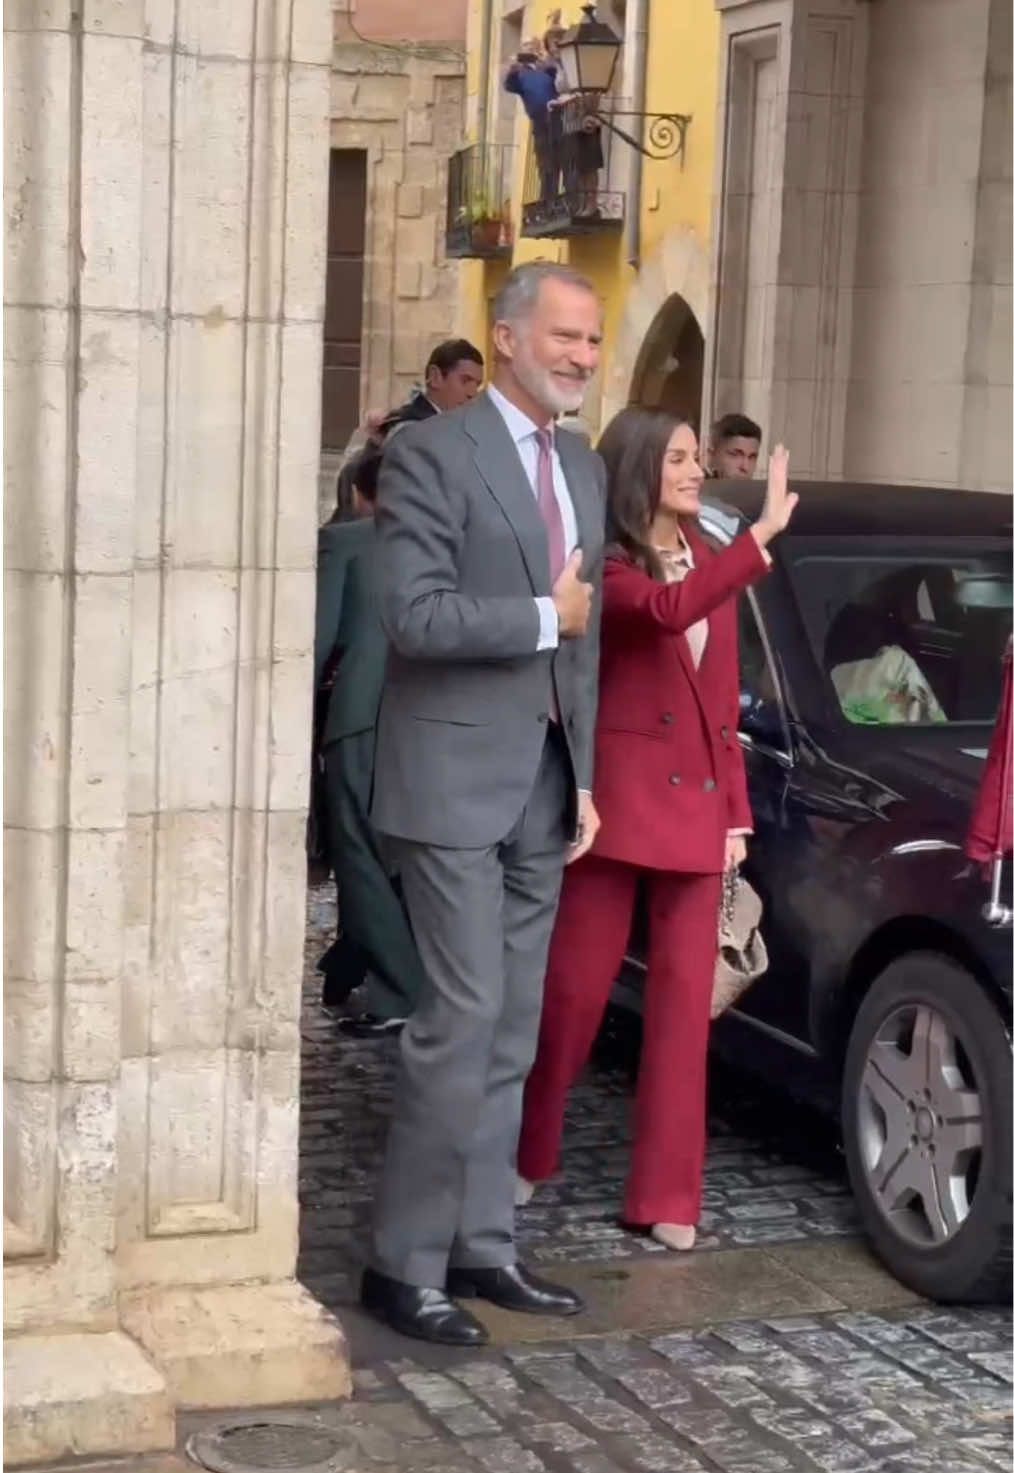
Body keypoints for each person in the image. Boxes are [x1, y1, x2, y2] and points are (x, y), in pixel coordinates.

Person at [360, 261, 607, 1346]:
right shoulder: (428, 452)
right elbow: (412, 617)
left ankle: (483, 1246)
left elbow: (587, 646)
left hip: (547, 789)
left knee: (512, 1026)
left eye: (594, 343)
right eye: (565, 337)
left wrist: (588, 774)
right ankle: (399, 1266)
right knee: (457, 1022)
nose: (582, 359)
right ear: (505, 338)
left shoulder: (586, 468)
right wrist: (541, 617)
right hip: (450, 781)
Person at [517, 406, 797, 1251]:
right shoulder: (604, 565)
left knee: (685, 1017)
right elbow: (667, 611)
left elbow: (721, 704)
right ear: (640, 467)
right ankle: (526, 1150)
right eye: (677, 457)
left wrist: (738, 815)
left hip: (701, 815)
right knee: (571, 998)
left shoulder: (709, 557)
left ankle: (669, 1195)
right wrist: (764, 538)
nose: (694, 469)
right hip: (616, 809)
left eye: (693, 457)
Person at [313, 448, 427, 1034]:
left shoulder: (349, 543)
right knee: (407, 860)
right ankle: (366, 965)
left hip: (361, 717)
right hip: (431, 718)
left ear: (362, 495)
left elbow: (316, 642)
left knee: (358, 854)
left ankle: (400, 991)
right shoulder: (444, 548)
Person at [374, 340, 485, 443]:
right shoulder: (409, 431)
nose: (473, 394)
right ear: (435, 377)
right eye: (465, 381)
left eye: (477, 385)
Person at [505, 38, 561, 203]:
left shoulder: (546, 68)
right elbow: (509, 86)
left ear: (538, 50)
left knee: (559, 157)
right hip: (539, 120)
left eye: (531, 49)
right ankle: (547, 196)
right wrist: (513, 69)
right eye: (524, 50)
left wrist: (543, 61)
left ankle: (556, 195)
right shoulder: (520, 74)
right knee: (544, 159)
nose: (527, 53)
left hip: (557, 116)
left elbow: (558, 77)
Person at [707, 412, 763, 480]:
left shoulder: (764, 490)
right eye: (735, 455)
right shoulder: (696, 489)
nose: (745, 467)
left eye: (752, 457)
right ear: (712, 455)